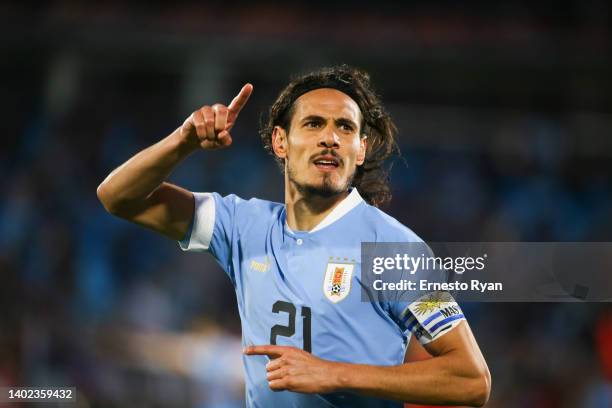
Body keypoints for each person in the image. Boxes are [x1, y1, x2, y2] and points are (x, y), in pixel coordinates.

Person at [97, 65, 491, 407]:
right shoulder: (242, 225)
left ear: (360, 149)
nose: (330, 138)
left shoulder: (393, 248)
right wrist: (182, 142)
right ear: (280, 141)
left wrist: (334, 374)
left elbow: (472, 379)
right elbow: (118, 197)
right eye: (314, 123)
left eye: (345, 128)